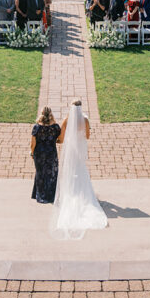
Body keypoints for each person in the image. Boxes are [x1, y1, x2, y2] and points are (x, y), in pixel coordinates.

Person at [50, 101, 107, 239]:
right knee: (81, 168)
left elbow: (62, 137)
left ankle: (71, 191)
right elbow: (87, 136)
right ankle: (82, 192)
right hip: (80, 147)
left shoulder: (67, 119)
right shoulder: (85, 120)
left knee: (71, 169)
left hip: (71, 148)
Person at [31, 107, 61, 203]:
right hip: (51, 152)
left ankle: (40, 194)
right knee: (51, 173)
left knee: (40, 173)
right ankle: (51, 194)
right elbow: (60, 139)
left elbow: (33, 144)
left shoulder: (37, 127)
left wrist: (32, 152)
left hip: (39, 153)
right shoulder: (55, 127)